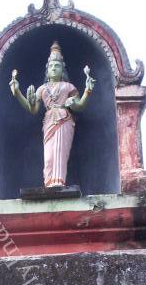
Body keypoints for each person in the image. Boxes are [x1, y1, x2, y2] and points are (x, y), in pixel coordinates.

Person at [10, 40, 95, 188]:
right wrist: (17, 93)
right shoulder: (42, 89)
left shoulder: (68, 87)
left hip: (64, 120)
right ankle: (49, 183)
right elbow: (33, 109)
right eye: (51, 66)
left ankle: (58, 182)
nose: (54, 68)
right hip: (49, 121)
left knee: (60, 152)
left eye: (57, 66)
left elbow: (80, 105)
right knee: (49, 157)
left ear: (63, 69)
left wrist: (88, 91)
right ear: (47, 70)